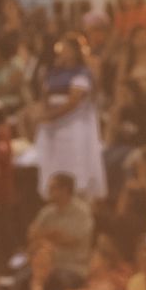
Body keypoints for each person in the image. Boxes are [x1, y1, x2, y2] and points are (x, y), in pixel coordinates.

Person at [34, 32, 106, 201]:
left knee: (74, 165)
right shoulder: (53, 72)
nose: (62, 52)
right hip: (52, 128)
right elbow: (45, 96)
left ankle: (77, 197)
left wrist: (50, 116)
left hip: (72, 126)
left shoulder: (82, 73)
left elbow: (73, 101)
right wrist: (43, 113)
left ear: (74, 51)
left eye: (66, 48)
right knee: (53, 165)